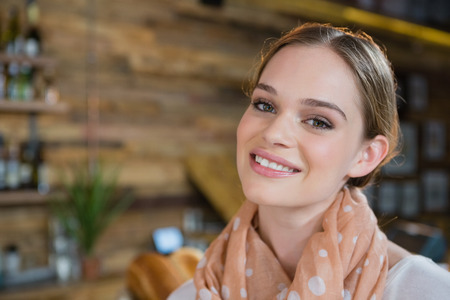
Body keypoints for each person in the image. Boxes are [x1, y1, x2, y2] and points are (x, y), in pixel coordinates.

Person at [168, 23, 450, 300]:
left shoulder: (425, 291)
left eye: (318, 121)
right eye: (265, 105)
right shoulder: (193, 293)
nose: (274, 133)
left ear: (367, 156)